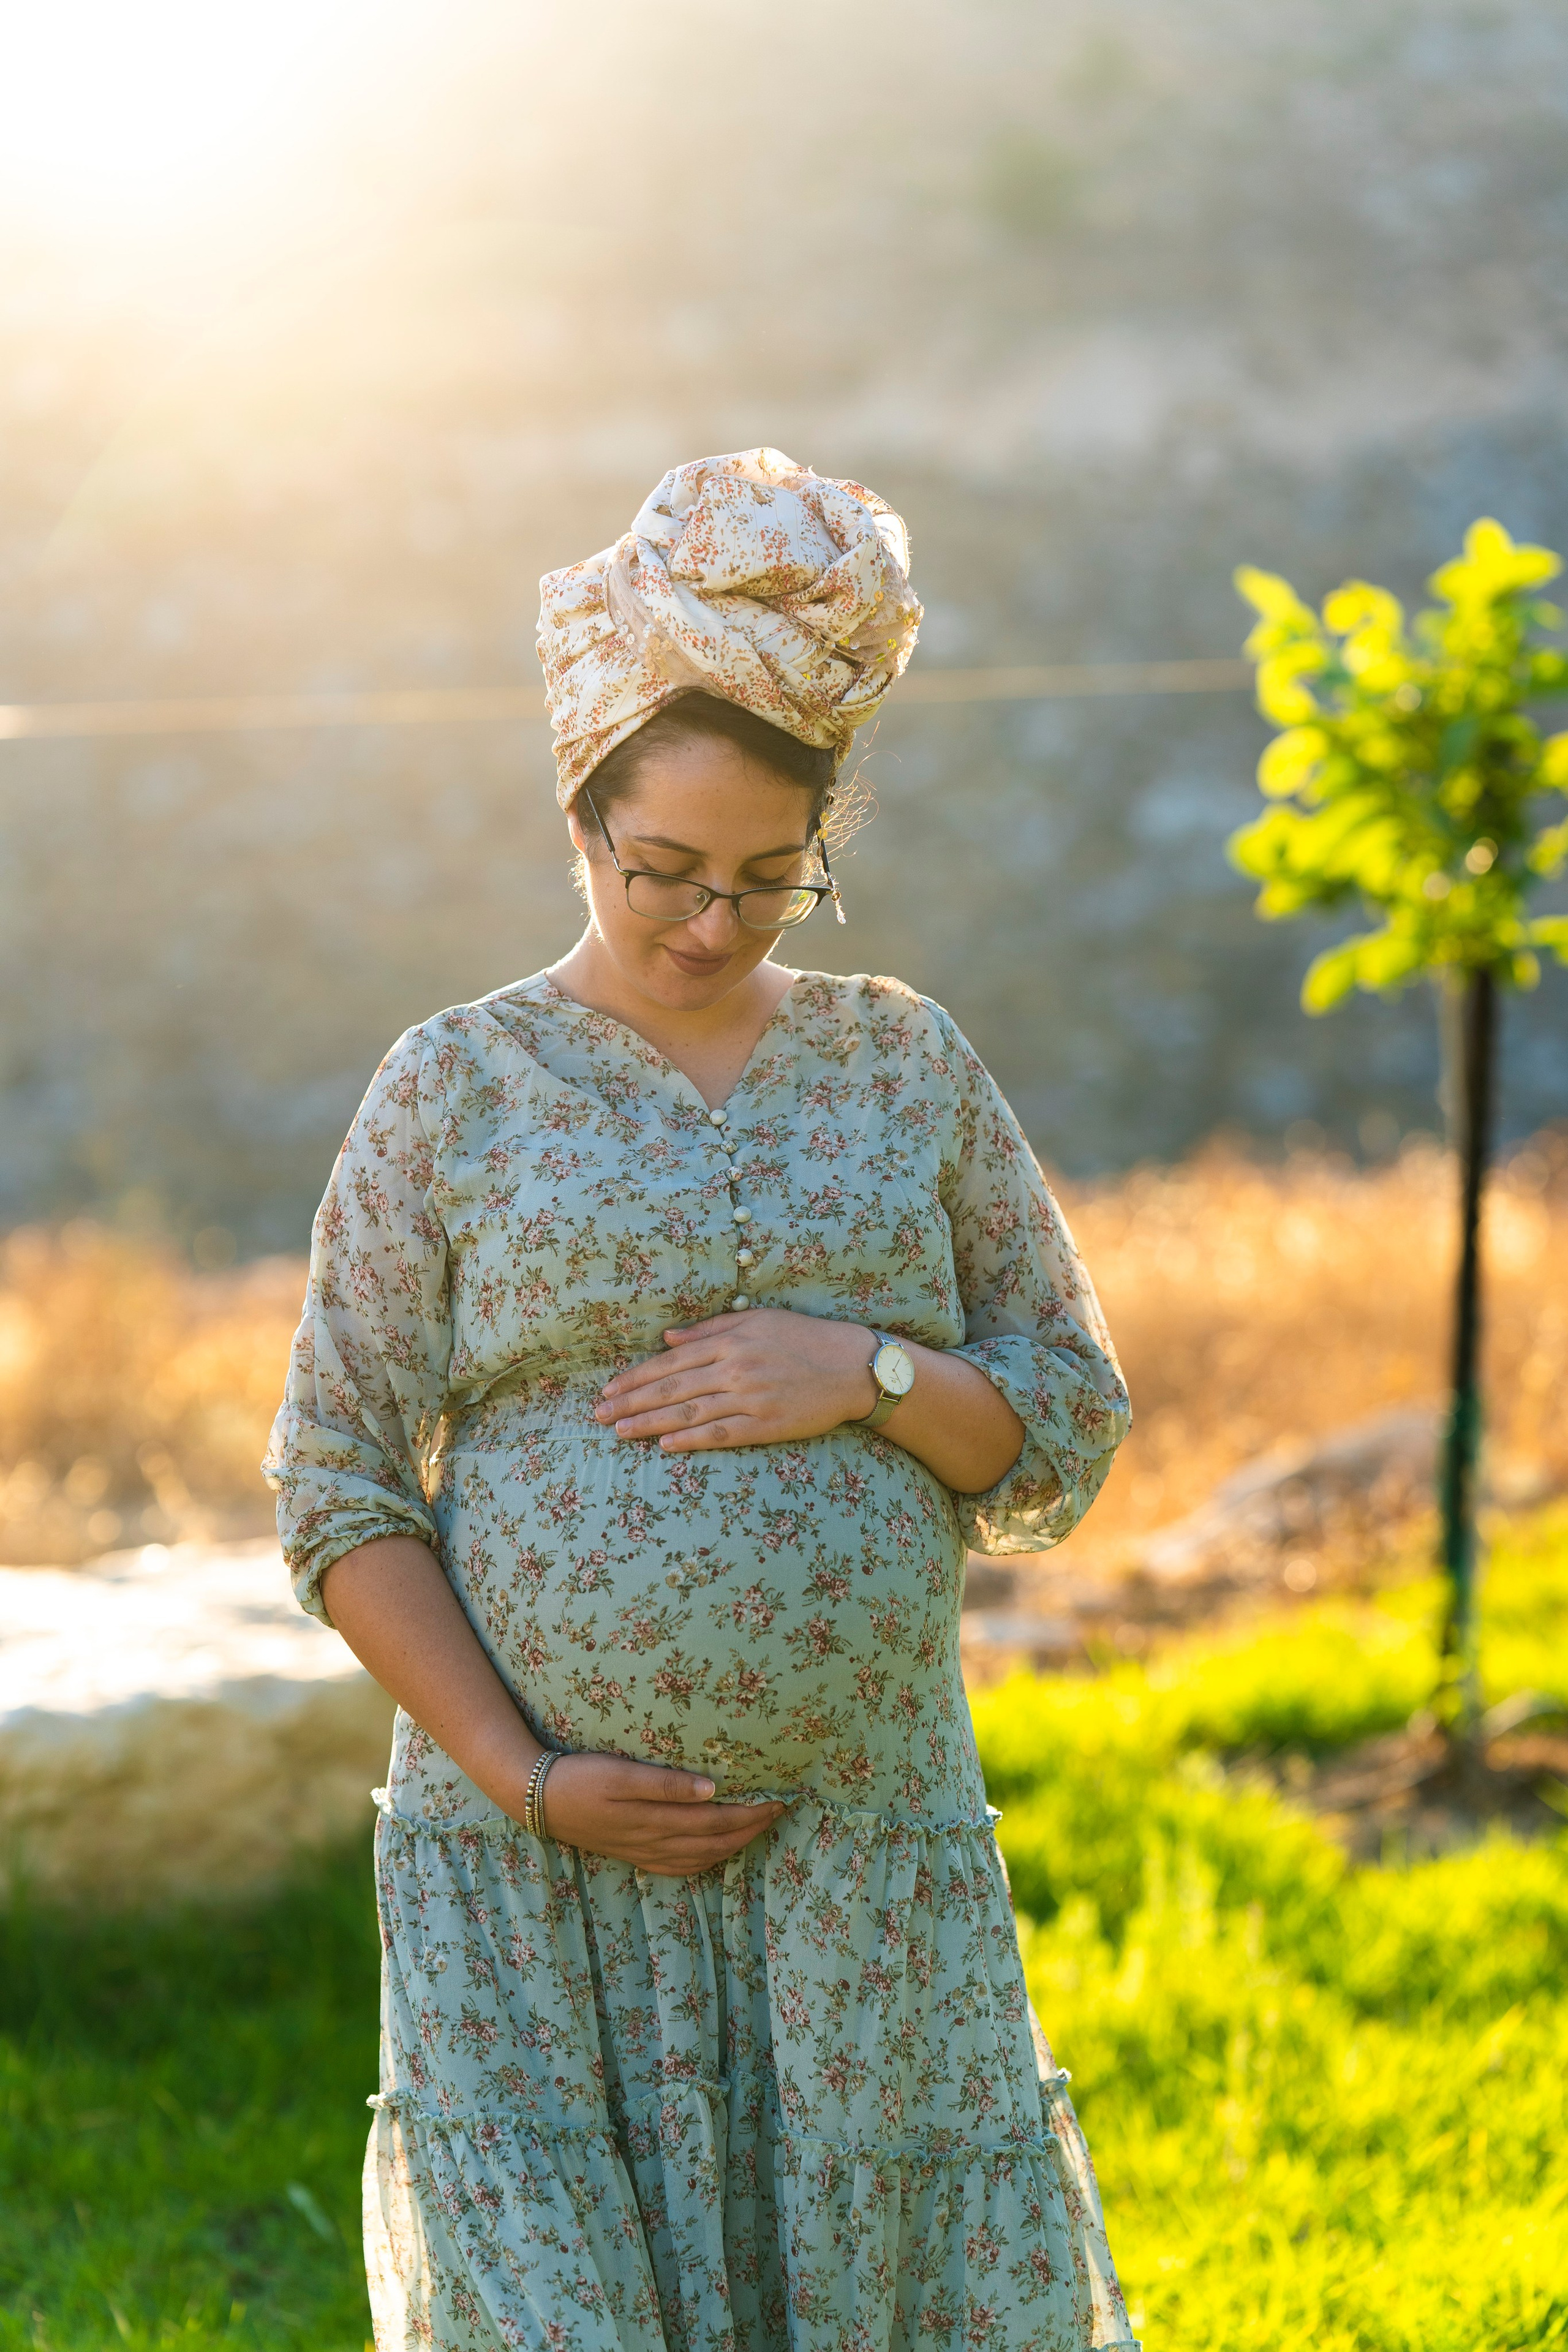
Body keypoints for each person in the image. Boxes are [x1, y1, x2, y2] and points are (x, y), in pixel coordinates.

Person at [266, 447, 1137, 2352]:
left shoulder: (903, 1061)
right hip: (533, 1879)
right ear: (579, 821)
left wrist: (873, 1372)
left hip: (862, 1847)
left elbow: (1061, 1419)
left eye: (768, 881)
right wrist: (536, 1781)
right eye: (664, 871)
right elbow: (335, 1487)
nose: (709, 923)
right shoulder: (455, 1085)